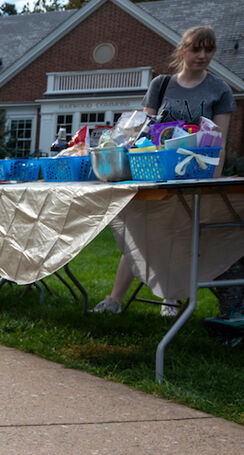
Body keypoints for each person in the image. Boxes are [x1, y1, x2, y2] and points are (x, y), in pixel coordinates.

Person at [92, 25, 237, 330]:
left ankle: (170, 299)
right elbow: (141, 132)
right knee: (141, 236)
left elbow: (219, 141)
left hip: (195, 178)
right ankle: (114, 300)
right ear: (181, 50)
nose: (202, 55)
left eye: (208, 49)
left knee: (184, 238)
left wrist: (213, 180)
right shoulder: (162, 85)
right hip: (156, 174)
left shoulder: (219, 89)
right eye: (196, 48)